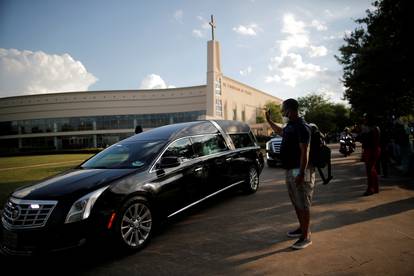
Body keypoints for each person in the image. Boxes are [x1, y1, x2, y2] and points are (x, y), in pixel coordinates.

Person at [265, 98, 315, 250]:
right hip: (290, 170)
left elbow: (304, 152)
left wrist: (300, 173)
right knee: (296, 201)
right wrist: (269, 121)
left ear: (290, 109)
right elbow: (280, 131)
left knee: (304, 203)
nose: (283, 113)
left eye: (284, 110)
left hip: (301, 170)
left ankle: (306, 236)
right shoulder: (290, 126)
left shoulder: (302, 127)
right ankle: (302, 228)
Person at [357, 114, 381, 196]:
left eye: (365, 119)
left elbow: (376, 141)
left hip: (372, 150)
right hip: (369, 150)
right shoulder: (367, 129)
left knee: (370, 170)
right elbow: (361, 139)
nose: (364, 120)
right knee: (371, 169)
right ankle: (375, 188)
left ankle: (371, 189)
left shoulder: (374, 129)